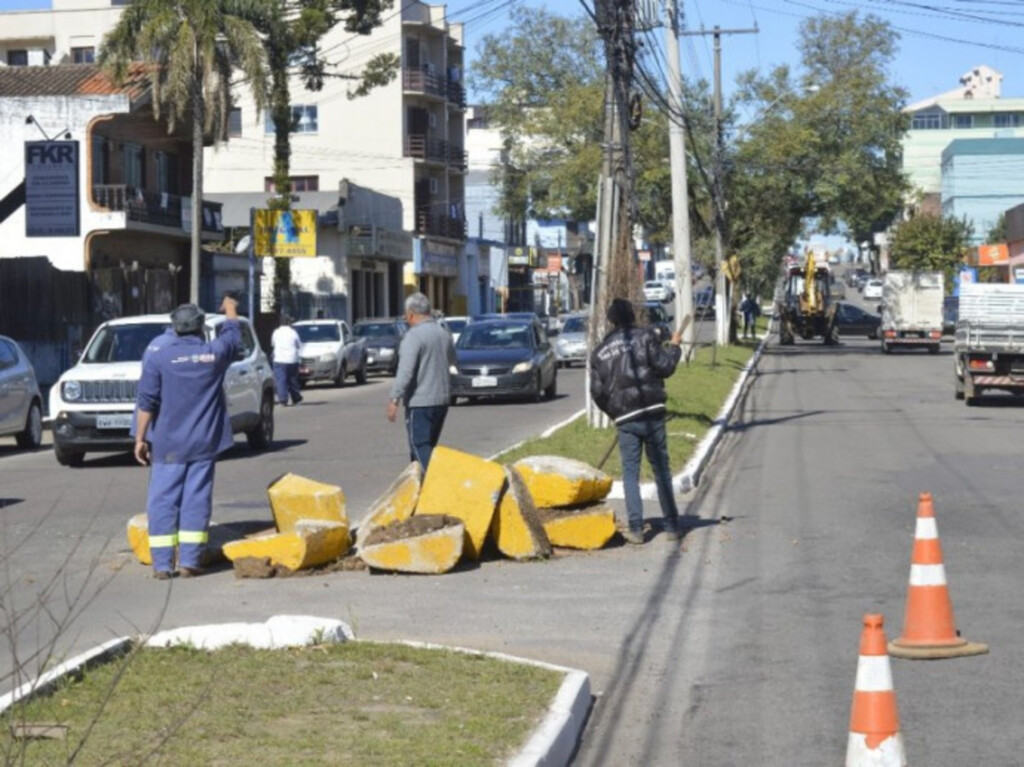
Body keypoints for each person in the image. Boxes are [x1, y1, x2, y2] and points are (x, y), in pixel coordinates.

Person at [134, 297, 241, 578]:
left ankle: (162, 564)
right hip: (204, 443)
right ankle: (190, 561)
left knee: (162, 501)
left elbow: (146, 401)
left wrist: (140, 438)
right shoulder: (213, 355)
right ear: (201, 327)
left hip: (168, 445)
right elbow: (232, 335)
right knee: (196, 499)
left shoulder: (159, 357)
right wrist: (230, 308)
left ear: (174, 327)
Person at [590, 298, 684, 545]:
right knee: (661, 468)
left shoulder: (600, 352)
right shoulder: (646, 336)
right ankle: (672, 525)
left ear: (611, 320)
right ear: (632, 315)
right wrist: (674, 346)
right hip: (652, 411)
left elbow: (597, 393)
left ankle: (636, 529)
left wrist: (616, 412)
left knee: (630, 473)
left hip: (626, 419)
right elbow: (665, 367)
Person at [386, 292, 456, 470]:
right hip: (442, 399)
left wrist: (394, 398)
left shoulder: (414, 336)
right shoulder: (442, 333)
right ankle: (420, 488)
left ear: (411, 314)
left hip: (420, 401)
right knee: (429, 447)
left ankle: (431, 485)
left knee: (419, 446)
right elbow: (452, 359)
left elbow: (405, 370)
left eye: (406, 315)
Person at [271, 314, 303, 406]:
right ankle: (296, 398)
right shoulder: (293, 332)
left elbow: (272, 344)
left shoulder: (276, 332)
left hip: (279, 359)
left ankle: (283, 399)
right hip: (292, 359)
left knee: (281, 380)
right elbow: (298, 345)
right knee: (293, 379)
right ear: (288, 322)